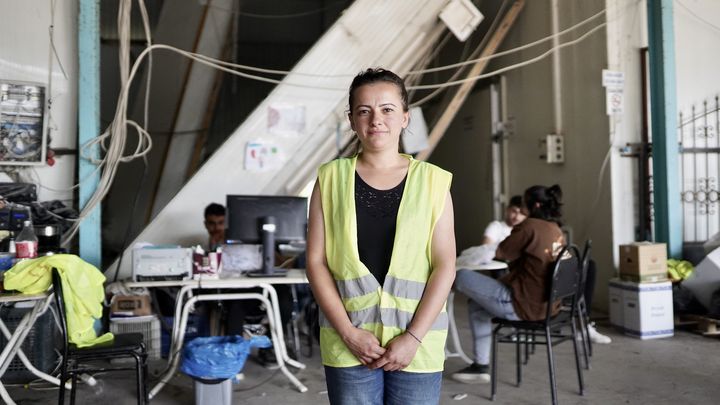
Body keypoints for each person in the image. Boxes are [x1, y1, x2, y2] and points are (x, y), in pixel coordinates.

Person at [306, 68, 456, 405]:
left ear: (405, 117)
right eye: (364, 110)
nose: (376, 119)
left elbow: (445, 266)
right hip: (350, 342)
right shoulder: (330, 179)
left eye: (387, 109)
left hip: (415, 344)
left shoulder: (434, 182)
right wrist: (348, 334)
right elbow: (315, 263)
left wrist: (413, 338)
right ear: (351, 119)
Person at [451, 184, 566, 384]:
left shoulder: (529, 226)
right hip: (548, 305)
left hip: (523, 304)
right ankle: (480, 366)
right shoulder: (556, 230)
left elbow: (500, 252)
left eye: (523, 203)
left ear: (535, 204)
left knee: (459, 276)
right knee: (478, 307)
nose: (521, 209)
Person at [455, 196, 526, 272]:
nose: (517, 217)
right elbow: (485, 249)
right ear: (507, 209)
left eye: (521, 214)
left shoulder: (523, 231)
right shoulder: (496, 226)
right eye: (514, 211)